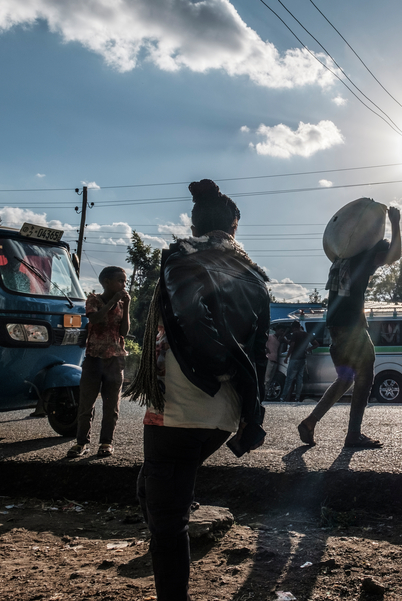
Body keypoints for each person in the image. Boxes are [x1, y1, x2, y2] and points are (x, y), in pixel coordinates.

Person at [123, 179, 270, 601]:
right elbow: (258, 354)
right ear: (234, 228)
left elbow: (191, 317)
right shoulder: (255, 277)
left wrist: (216, 368)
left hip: (182, 405)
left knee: (166, 520)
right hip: (224, 412)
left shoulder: (181, 260)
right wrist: (249, 407)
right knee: (154, 490)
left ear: (194, 222)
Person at [297, 207, 401, 448]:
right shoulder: (365, 260)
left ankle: (310, 422)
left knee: (346, 379)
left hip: (334, 328)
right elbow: (395, 254)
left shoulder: (341, 261)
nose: (380, 265)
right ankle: (353, 434)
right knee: (365, 375)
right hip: (351, 328)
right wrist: (395, 223)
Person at [67, 265, 130, 458]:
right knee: (86, 403)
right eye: (120, 280)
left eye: (124, 281)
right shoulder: (94, 299)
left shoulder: (120, 304)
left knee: (112, 406)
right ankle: (81, 443)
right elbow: (95, 319)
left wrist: (126, 305)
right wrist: (113, 301)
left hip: (115, 359)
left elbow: (124, 331)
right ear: (107, 282)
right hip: (94, 358)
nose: (123, 284)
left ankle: (106, 442)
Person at [281, 322, 319, 402]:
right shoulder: (307, 334)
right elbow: (316, 344)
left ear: (294, 328)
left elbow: (292, 345)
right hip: (302, 359)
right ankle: (297, 397)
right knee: (299, 379)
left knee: (289, 379)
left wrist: (287, 357)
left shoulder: (295, 334)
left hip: (294, 358)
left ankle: (283, 397)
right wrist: (308, 349)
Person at [265, 326, 283, 397]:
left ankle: (266, 394)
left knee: (270, 379)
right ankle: (264, 394)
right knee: (267, 379)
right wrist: (266, 349)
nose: (282, 333)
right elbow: (263, 341)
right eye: (281, 330)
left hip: (275, 361)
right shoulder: (270, 337)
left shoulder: (278, 341)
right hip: (269, 359)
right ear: (277, 330)